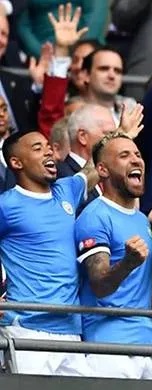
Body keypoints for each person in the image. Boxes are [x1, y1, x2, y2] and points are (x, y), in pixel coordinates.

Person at [0, 130, 98, 376]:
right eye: (36, 148)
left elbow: (96, 167)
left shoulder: (66, 191)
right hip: (24, 332)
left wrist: (122, 133)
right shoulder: (6, 205)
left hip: (71, 331)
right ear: (16, 162)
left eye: (48, 146)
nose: (48, 151)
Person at [75, 131, 152, 379]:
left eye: (137, 154)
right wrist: (127, 263)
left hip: (148, 342)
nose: (136, 160)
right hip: (109, 347)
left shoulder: (141, 219)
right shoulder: (95, 216)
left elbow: (140, 283)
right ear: (102, 170)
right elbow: (99, 284)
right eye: (124, 155)